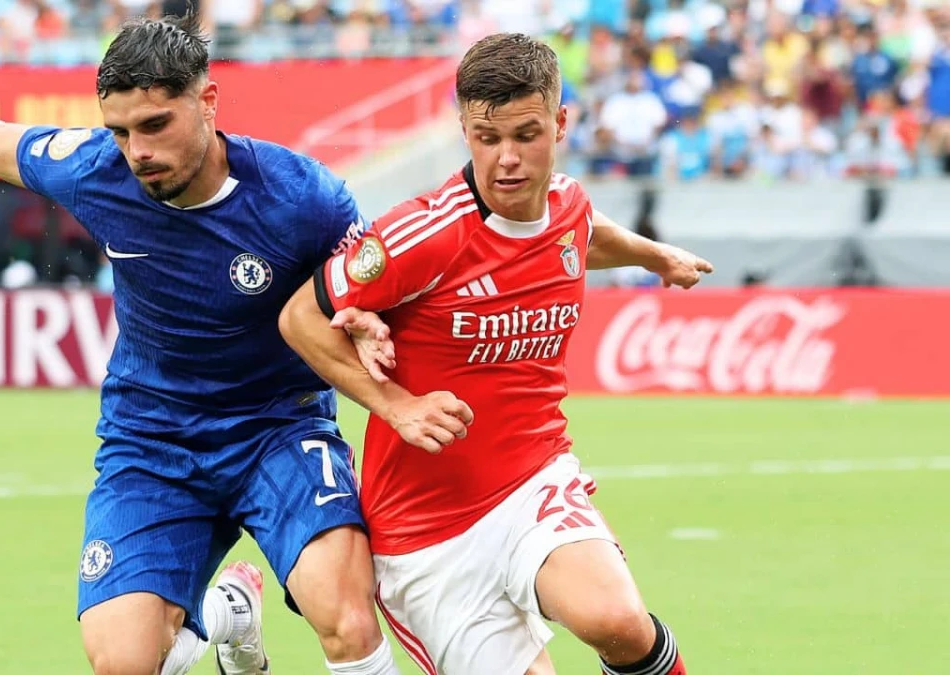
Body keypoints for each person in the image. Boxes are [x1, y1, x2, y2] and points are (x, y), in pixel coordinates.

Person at [0, 15, 402, 675]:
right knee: (122, 662)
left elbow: (379, 280)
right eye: (119, 131)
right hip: (151, 439)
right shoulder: (97, 171)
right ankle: (222, 624)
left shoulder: (304, 196)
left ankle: (223, 615)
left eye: (155, 125)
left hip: (277, 426)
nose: (137, 151)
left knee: (350, 620)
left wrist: (364, 313)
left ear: (208, 101)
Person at [279, 33, 712, 675]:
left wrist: (656, 256)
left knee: (615, 621)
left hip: (533, 479)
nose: (507, 159)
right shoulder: (421, 235)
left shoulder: (567, 204)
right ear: (464, 131)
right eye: (487, 140)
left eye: (526, 135)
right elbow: (300, 318)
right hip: (426, 535)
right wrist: (396, 406)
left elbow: (586, 233)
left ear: (560, 124)